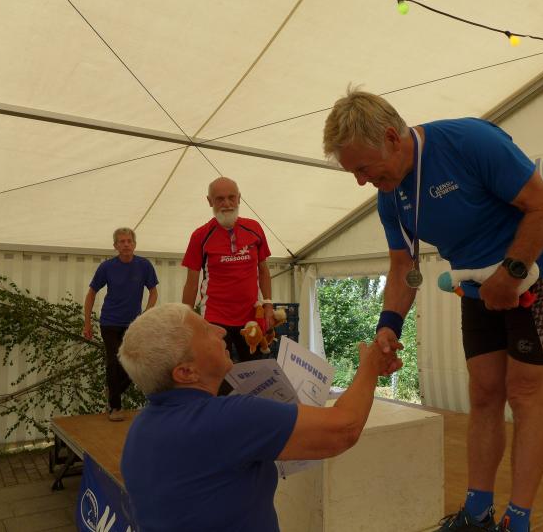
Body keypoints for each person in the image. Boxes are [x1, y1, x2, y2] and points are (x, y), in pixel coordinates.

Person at [323, 88, 543, 532]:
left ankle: (519, 519)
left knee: (525, 393)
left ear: (391, 138)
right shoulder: (389, 195)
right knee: (484, 392)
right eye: (353, 172)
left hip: (533, 272)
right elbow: (403, 267)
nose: (360, 181)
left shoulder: (470, 142)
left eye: (362, 168)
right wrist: (388, 327)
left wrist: (511, 273)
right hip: (475, 285)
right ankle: (477, 513)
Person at [118, 303, 391, 532]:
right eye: (205, 329)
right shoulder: (228, 418)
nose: (221, 330)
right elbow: (345, 427)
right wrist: (370, 365)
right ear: (186, 372)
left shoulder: (140, 428)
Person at [182, 176, 275, 363]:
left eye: (231, 197)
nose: (227, 203)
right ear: (210, 201)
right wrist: (186, 320)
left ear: (239, 198)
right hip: (214, 317)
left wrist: (268, 304)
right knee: (217, 371)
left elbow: (264, 270)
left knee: (254, 370)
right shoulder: (200, 235)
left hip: (251, 317)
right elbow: (191, 283)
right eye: (220, 199)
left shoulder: (254, 228)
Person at [83, 227, 158, 422]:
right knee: (114, 362)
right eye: (122, 241)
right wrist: (87, 322)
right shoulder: (107, 267)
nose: (126, 244)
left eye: (129, 241)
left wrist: (146, 314)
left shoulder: (144, 265)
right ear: (115, 246)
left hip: (133, 325)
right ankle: (115, 407)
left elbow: (153, 292)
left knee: (134, 364)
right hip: (109, 322)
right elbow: (91, 293)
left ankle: (113, 390)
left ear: (135, 244)